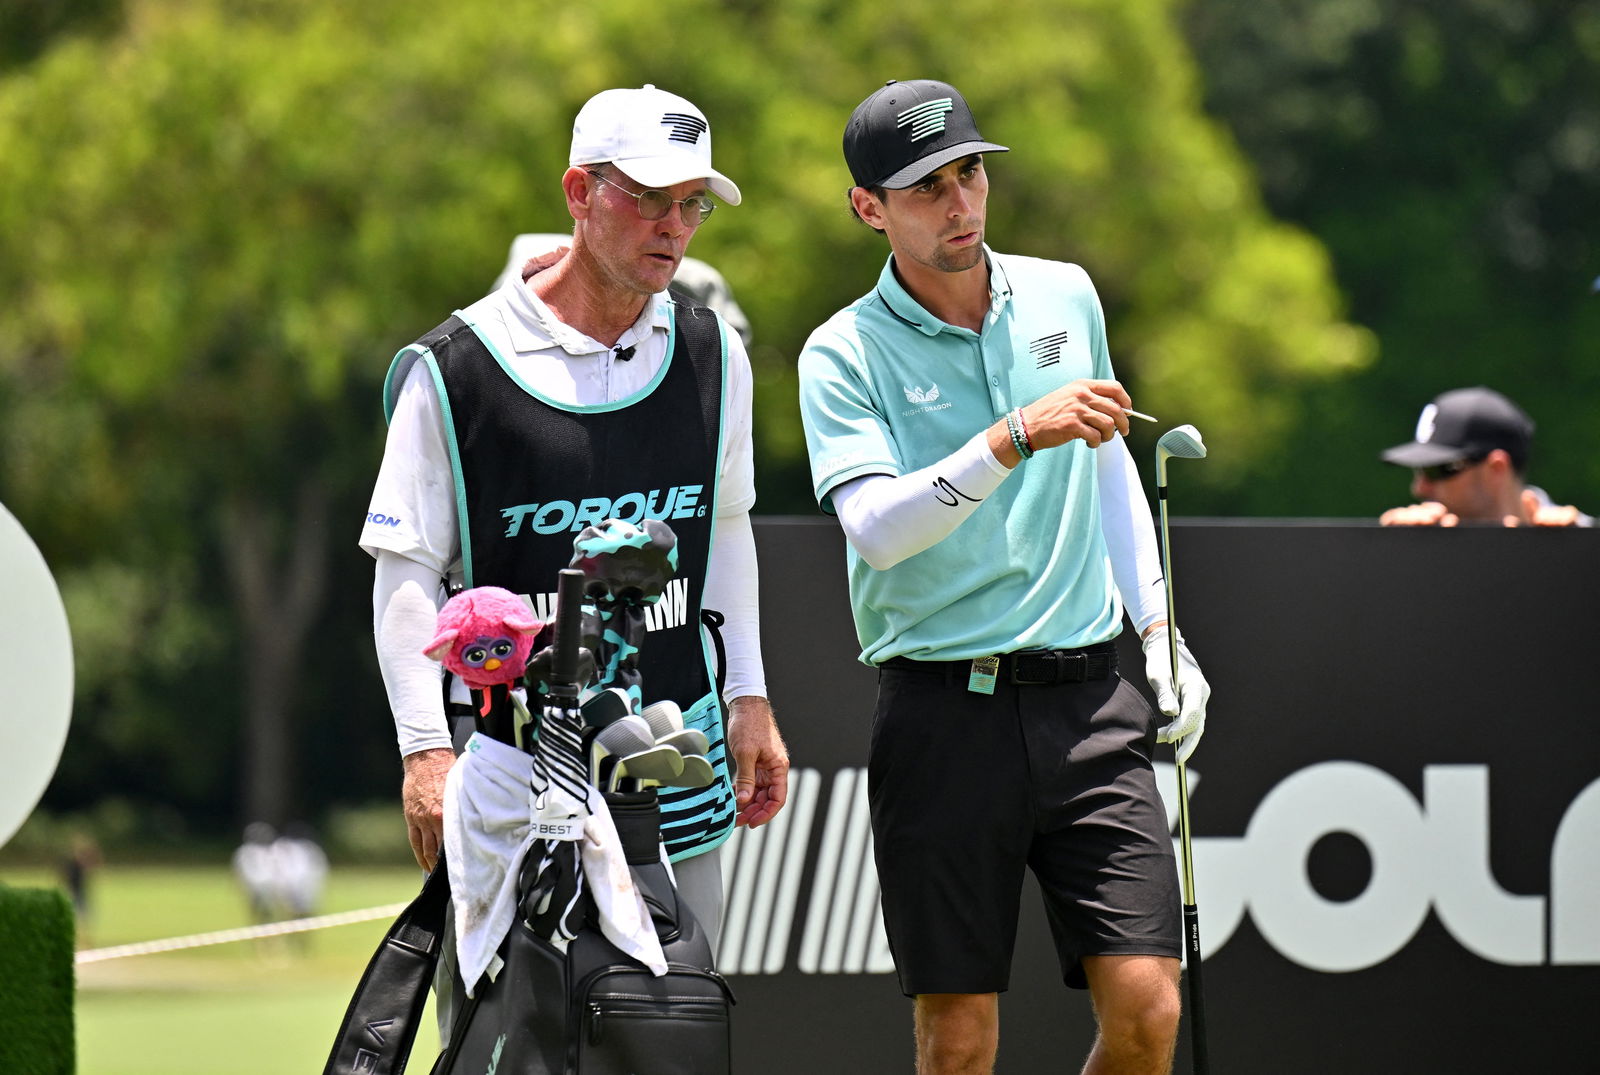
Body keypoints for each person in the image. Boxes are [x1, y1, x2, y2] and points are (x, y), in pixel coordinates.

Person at [797, 79, 1212, 1075]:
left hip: (1088, 699)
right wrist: (1012, 436)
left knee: (1149, 1007)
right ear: (869, 208)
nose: (959, 203)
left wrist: (1159, 632)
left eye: (969, 173)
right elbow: (877, 531)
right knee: (958, 1039)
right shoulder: (840, 352)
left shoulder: (1064, 293)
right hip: (944, 711)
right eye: (926, 187)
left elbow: (1106, 454)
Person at [359, 84, 788, 975]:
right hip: (506, 769)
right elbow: (404, 573)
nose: (674, 225)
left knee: (672, 1033)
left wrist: (749, 695)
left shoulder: (716, 352)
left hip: (676, 760)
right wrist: (425, 754)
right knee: (505, 1041)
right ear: (579, 193)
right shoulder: (456, 368)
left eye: (692, 204)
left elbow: (731, 527)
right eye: (647, 198)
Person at [1379, 386, 1592, 527]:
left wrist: (1576, 555)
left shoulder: (1577, 537)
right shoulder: (1429, 550)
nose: (1419, 488)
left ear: (1496, 469)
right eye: (1419, 470)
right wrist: (1401, 552)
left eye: (1437, 470)